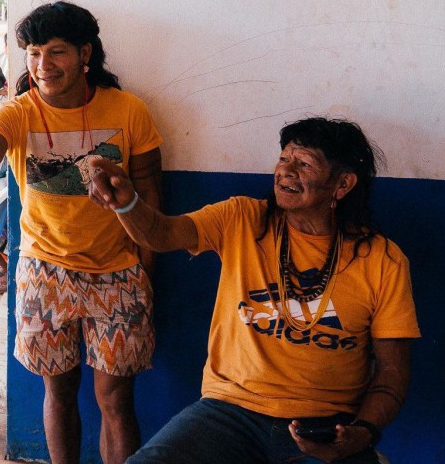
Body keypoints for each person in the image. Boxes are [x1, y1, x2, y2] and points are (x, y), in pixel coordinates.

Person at [0, 1, 163, 464]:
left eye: (56, 52)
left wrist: (147, 271)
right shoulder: (17, 113)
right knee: (58, 393)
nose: (43, 65)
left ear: (86, 54)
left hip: (118, 274)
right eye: (34, 52)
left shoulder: (130, 111)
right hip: (45, 274)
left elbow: (151, 197)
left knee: (115, 401)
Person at [86, 117, 419, 464]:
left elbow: (392, 372)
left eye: (304, 164)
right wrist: (125, 203)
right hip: (228, 413)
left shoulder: (383, 260)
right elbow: (161, 233)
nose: (286, 172)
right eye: (283, 159)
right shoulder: (241, 219)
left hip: (322, 427)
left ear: (342, 184)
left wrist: (360, 434)